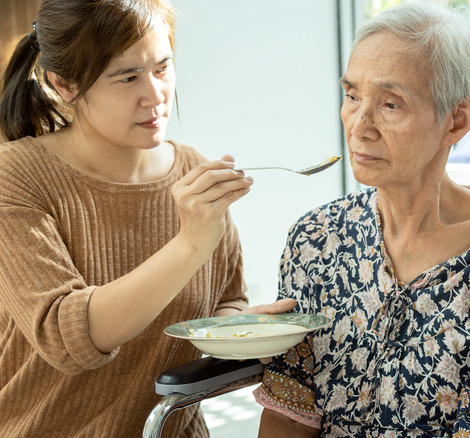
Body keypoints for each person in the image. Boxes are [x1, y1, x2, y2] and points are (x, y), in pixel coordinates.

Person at [251, 3, 470, 437]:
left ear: (457, 119)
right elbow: (288, 413)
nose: (359, 125)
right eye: (352, 96)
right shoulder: (315, 238)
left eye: (391, 104)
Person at [0, 0, 294, 436]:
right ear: (63, 84)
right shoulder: (16, 177)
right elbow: (68, 339)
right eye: (127, 77)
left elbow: (225, 298)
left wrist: (233, 329)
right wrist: (189, 243)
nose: (156, 94)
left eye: (162, 68)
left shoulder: (193, 173)